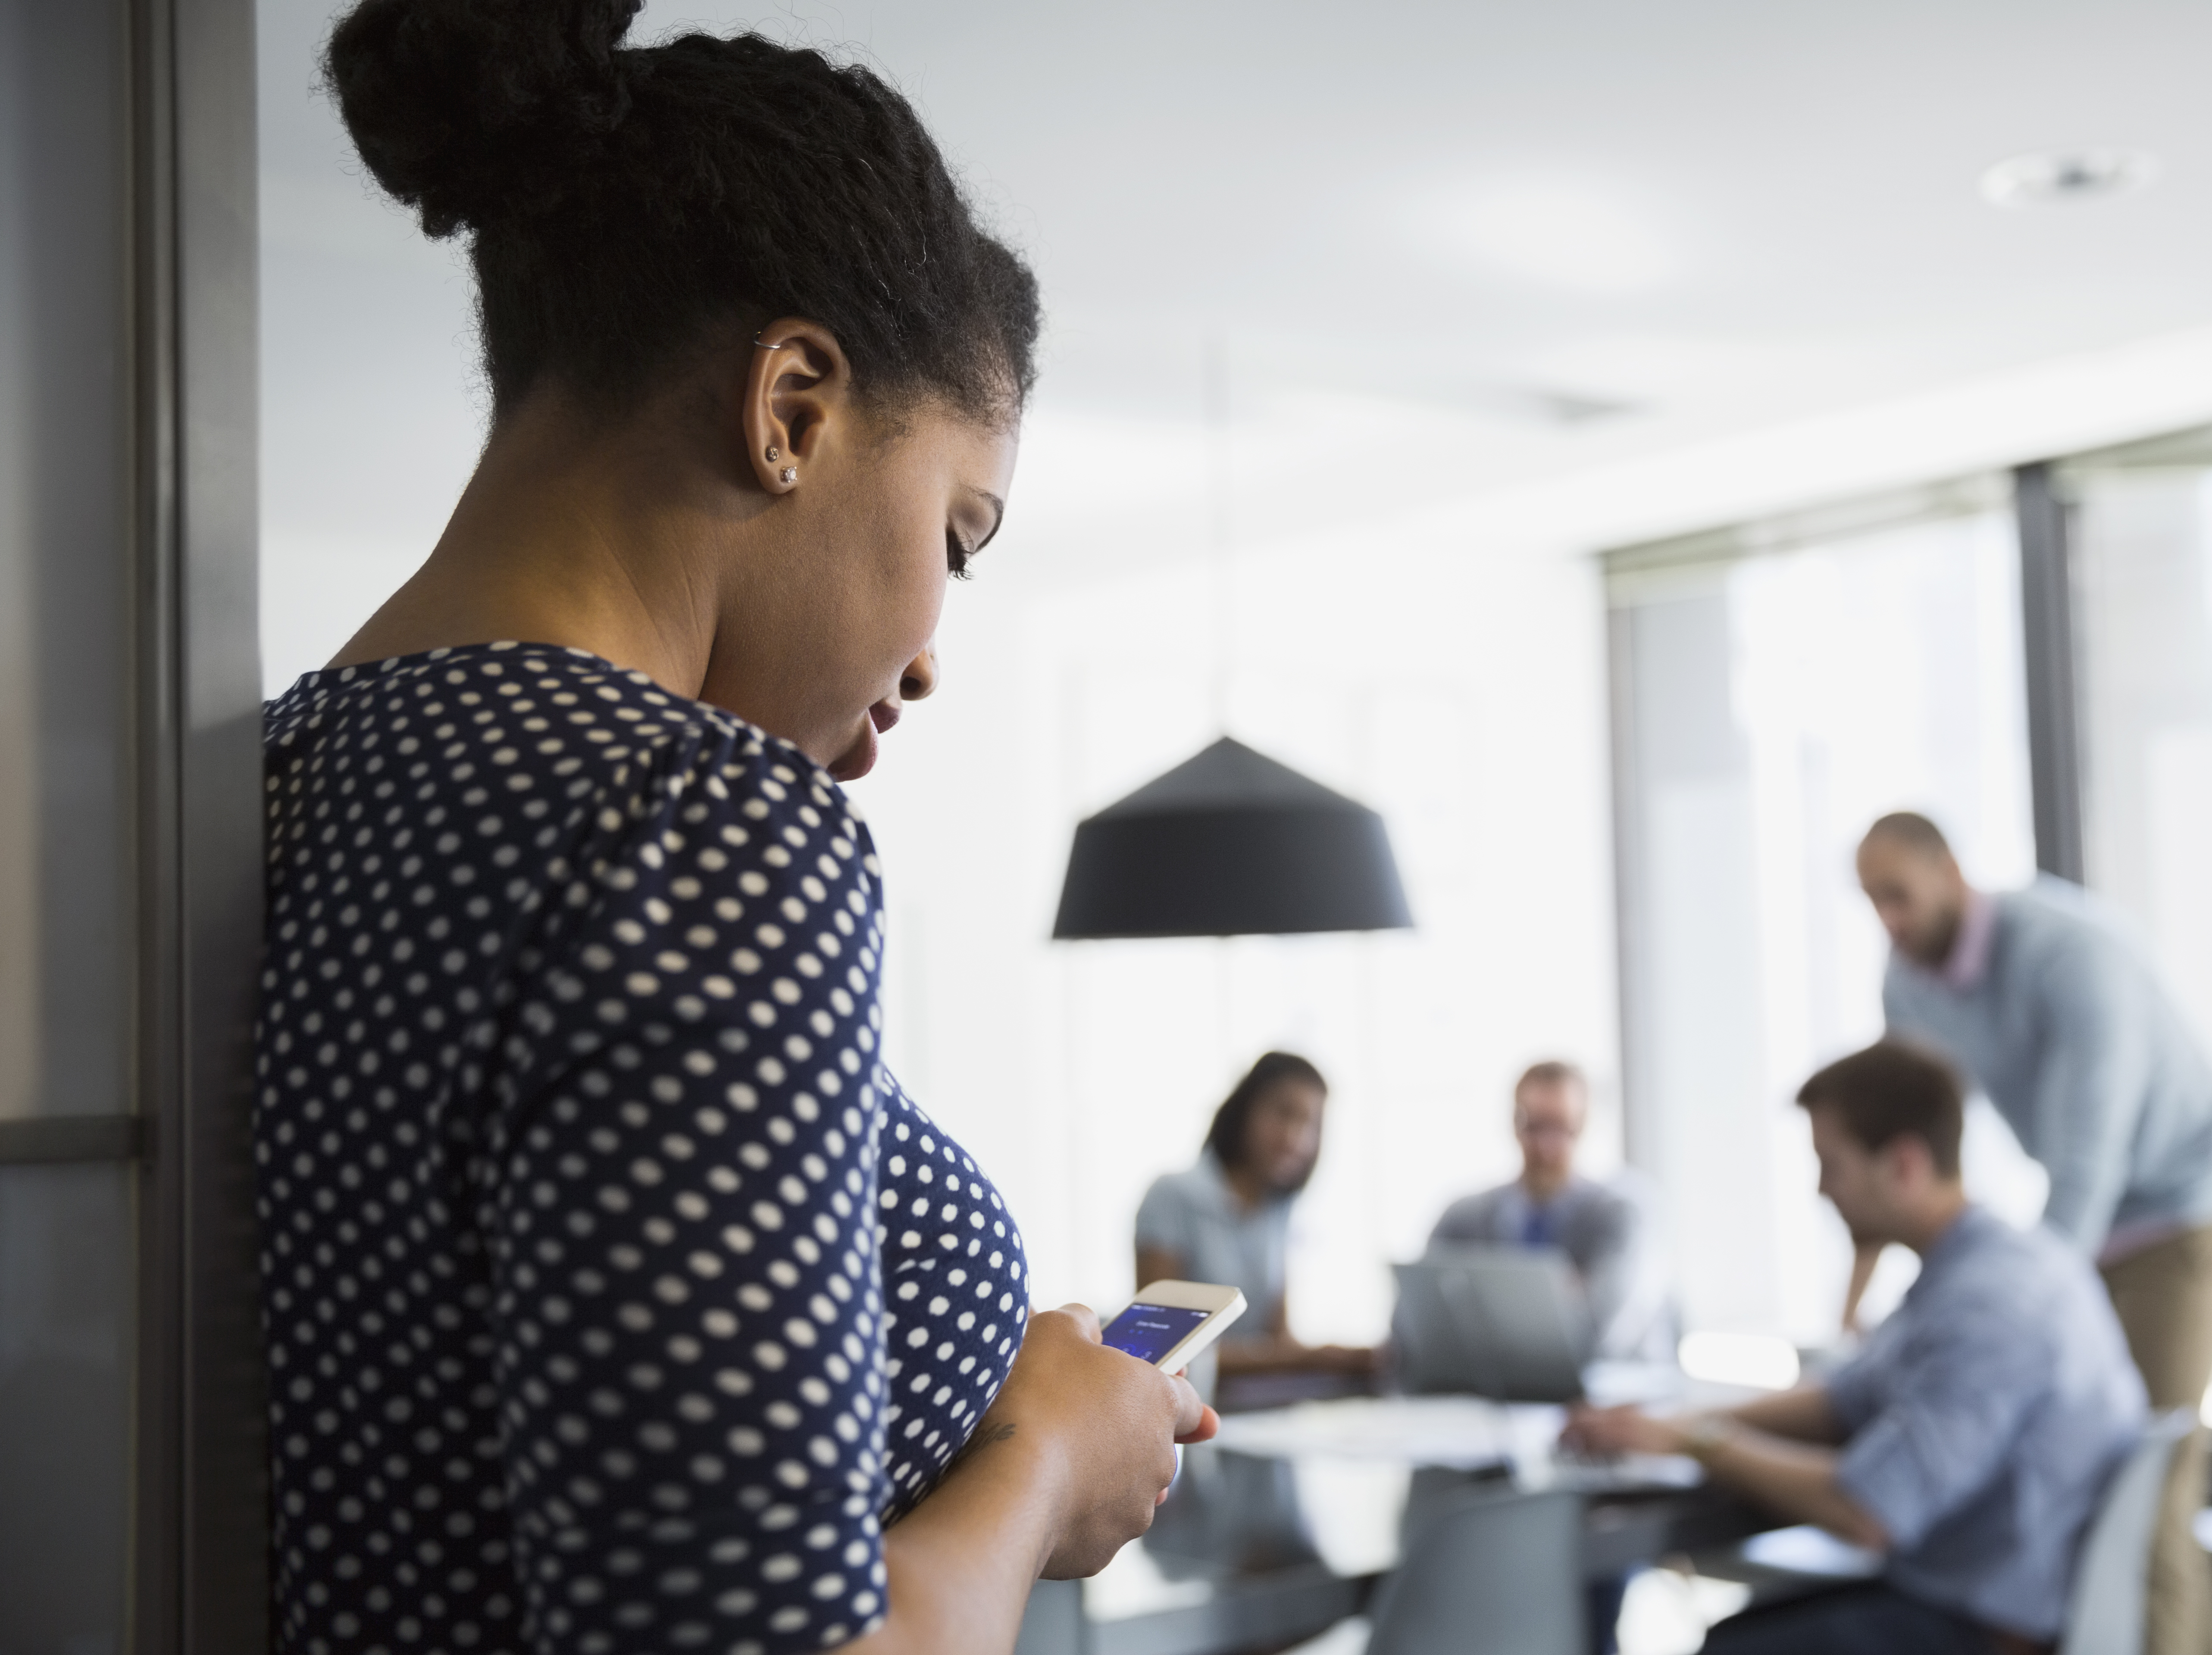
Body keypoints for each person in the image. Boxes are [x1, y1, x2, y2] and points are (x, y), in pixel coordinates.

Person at [253, 6, 1214, 1652]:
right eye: (953, 537)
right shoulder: (683, 818)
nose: (925, 653)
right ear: (788, 406)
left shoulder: (270, 775)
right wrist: (1045, 1464)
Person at [1566, 1042, 2146, 1655]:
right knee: (1729, 1635)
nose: (1821, 1190)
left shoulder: (1991, 1308)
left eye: (1831, 1164)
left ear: (1903, 1165)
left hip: (1988, 1628)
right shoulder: (1980, 1266)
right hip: (1969, 1590)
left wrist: (1699, 1443)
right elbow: (1845, 1399)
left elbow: (1869, 1512)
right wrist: (1676, 1424)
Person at [1856, 811, 2212, 1655]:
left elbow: (2088, 1159)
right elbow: (1897, 1148)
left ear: (1953, 873)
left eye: (1899, 896)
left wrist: (2017, 1297)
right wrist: (1874, 1302)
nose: (1888, 920)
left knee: (2144, 1493)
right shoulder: (1909, 980)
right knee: (2059, 1493)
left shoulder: (2072, 957)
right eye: (1872, 903)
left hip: (2182, 1217)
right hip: (2081, 1235)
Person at [1134, 1053, 1377, 1396]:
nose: (1296, 1137)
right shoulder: (1172, 1196)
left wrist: (1333, 1359)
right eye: (1283, 1114)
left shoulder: (1279, 1210)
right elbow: (1161, 1350)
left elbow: (1277, 1340)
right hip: (1182, 1406)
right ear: (1245, 1111)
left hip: (1253, 1406)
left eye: (1311, 1124)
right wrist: (1310, 1358)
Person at [1427, 1060, 1675, 1359]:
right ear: (1515, 1125)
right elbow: (1419, 1327)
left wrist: (1490, 1310)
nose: (1545, 1147)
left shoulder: (1620, 1215)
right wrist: (1566, 1292)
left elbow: (1601, 1331)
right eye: (1535, 1127)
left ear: (1582, 1127)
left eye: (1560, 1129)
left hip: (1609, 1395)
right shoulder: (1463, 1219)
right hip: (1498, 1396)